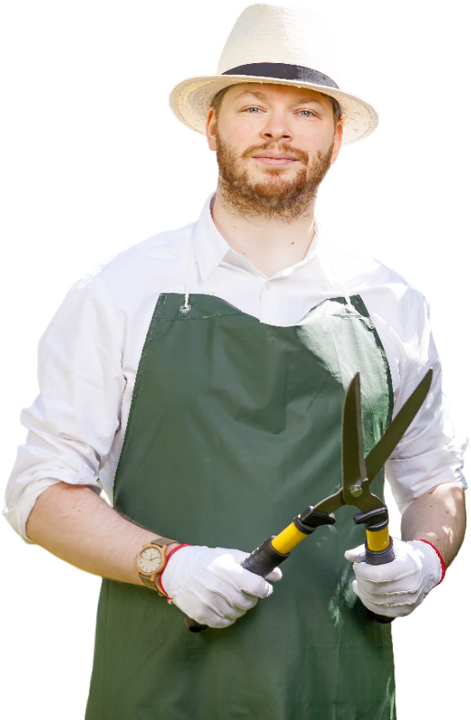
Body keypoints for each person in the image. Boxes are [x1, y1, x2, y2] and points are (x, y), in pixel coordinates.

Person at [2, 2, 468, 718]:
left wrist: (424, 559)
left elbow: (434, 478)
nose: (278, 128)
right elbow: (36, 494)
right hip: (160, 691)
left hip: (339, 692)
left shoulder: (391, 300)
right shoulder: (118, 289)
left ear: (336, 137)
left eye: (306, 111)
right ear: (212, 125)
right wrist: (166, 564)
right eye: (252, 106)